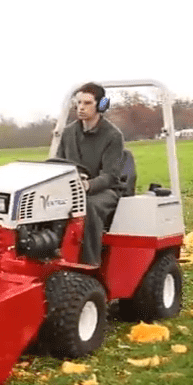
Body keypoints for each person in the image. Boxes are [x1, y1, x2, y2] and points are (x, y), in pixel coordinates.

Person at [55, 82, 125, 267]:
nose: (81, 108)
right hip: (72, 188)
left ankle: (89, 264)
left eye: (87, 103)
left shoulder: (113, 136)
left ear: (101, 105)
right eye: (78, 103)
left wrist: (87, 186)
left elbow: (111, 176)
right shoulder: (68, 133)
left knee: (88, 205)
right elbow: (58, 164)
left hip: (104, 191)